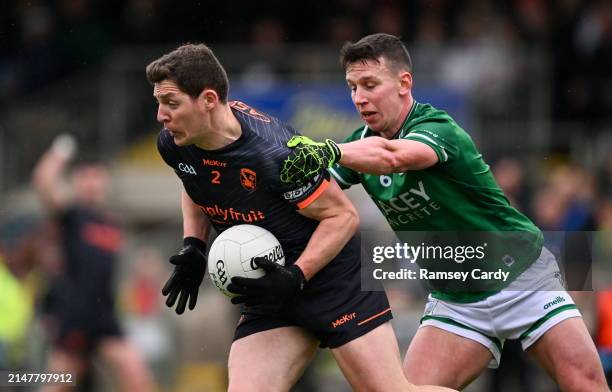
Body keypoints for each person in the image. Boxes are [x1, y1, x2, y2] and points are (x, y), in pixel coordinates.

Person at [281, 33, 609, 391]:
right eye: (352, 87)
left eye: (370, 84)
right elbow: (308, 196)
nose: (359, 98)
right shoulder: (357, 147)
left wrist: (329, 151)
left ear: (404, 83)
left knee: (585, 383)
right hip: (456, 300)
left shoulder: (437, 128)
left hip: (522, 278)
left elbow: (393, 157)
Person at [146, 43, 455, 392]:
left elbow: (343, 216)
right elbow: (194, 179)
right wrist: (194, 244)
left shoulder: (277, 156)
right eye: (159, 103)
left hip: (335, 285)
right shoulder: (176, 141)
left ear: (208, 100)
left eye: (171, 103)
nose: (161, 115)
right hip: (272, 293)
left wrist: (297, 273)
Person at [32, 135, 154, 392]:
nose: (92, 183)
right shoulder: (72, 215)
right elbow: (43, 181)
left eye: (97, 176)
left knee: (136, 374)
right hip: (76, 314)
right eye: (85, 177)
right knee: (60, 381)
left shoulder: (111, 223)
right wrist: (61, 151)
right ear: (76, 182)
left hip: (105, 315)